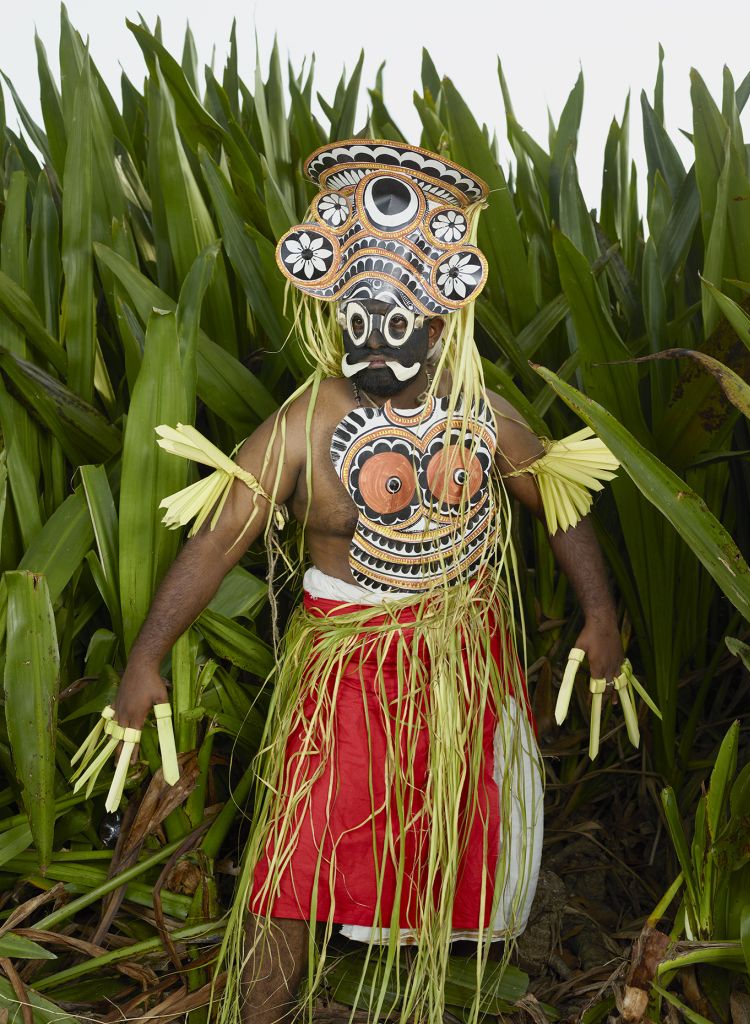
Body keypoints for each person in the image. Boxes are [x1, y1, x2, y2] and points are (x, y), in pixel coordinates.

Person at [106, 140, 626, 1024]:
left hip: (464, 663)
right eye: (357, 320)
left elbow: (563, 502)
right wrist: (145, 659)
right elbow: (221, 537)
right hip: (344, 673)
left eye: (395, 324)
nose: (372, 344)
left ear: (435, 322)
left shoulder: (484, 416)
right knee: (298, 852)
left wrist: (599, 616)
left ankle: (444, 1001)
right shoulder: (302, 425)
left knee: (466, 847)